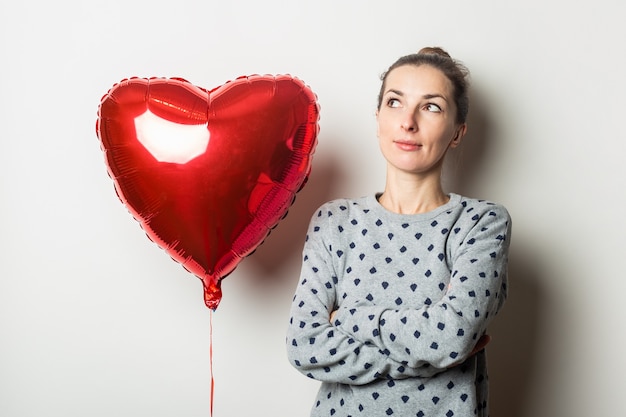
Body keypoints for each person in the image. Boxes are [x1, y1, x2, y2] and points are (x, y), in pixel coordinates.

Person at [286, 47, 512, 417]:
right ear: (378, 118)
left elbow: (450, 335)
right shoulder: (335, 221)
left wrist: (346, 318)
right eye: (395, 102)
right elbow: (304, 344)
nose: (408, 121)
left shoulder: (481, 224)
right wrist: (429, 358)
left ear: (457, 132)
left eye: (431, 106)